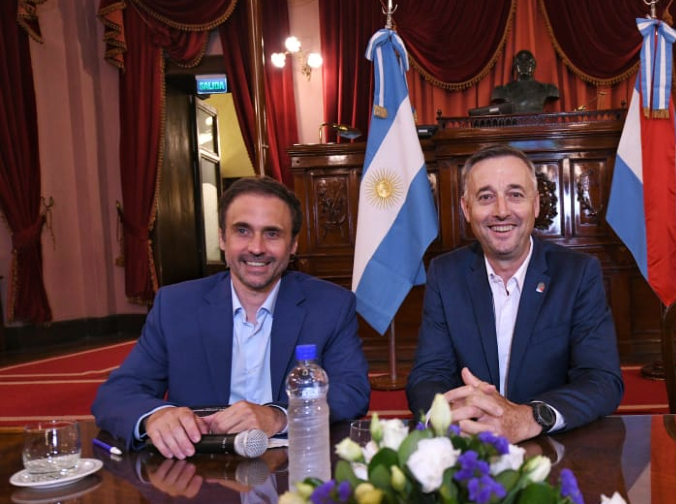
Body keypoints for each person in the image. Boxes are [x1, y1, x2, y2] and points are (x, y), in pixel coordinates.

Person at [92, 176, 370, 458]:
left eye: (272, 233)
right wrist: (155, 416)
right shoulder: (175, 306)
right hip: (199, 470)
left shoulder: (331, 305)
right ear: (223, 239)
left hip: (292, 466)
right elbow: (117, 393)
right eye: (242, 231)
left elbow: (352, 391)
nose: (257, 247)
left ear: (293, 244)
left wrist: (280, 416)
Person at [405, 145, 623, 443]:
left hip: (552, 447)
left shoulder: (578, 273)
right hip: (469, 443)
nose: (502, 211)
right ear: (467, 209)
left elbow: (602, 380)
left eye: (515, 195)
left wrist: (531, 417)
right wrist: (449, 410)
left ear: (535, 205)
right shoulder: (445, 274)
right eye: (486, 197)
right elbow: (428, 374)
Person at [490, 50, 560, 114]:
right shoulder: (501, 91)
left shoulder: (548, 89)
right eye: (520, 62)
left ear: (534, 65)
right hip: (513, 126)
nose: (524, 65)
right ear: (515, 65)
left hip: (538, 125)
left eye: (528, 61)